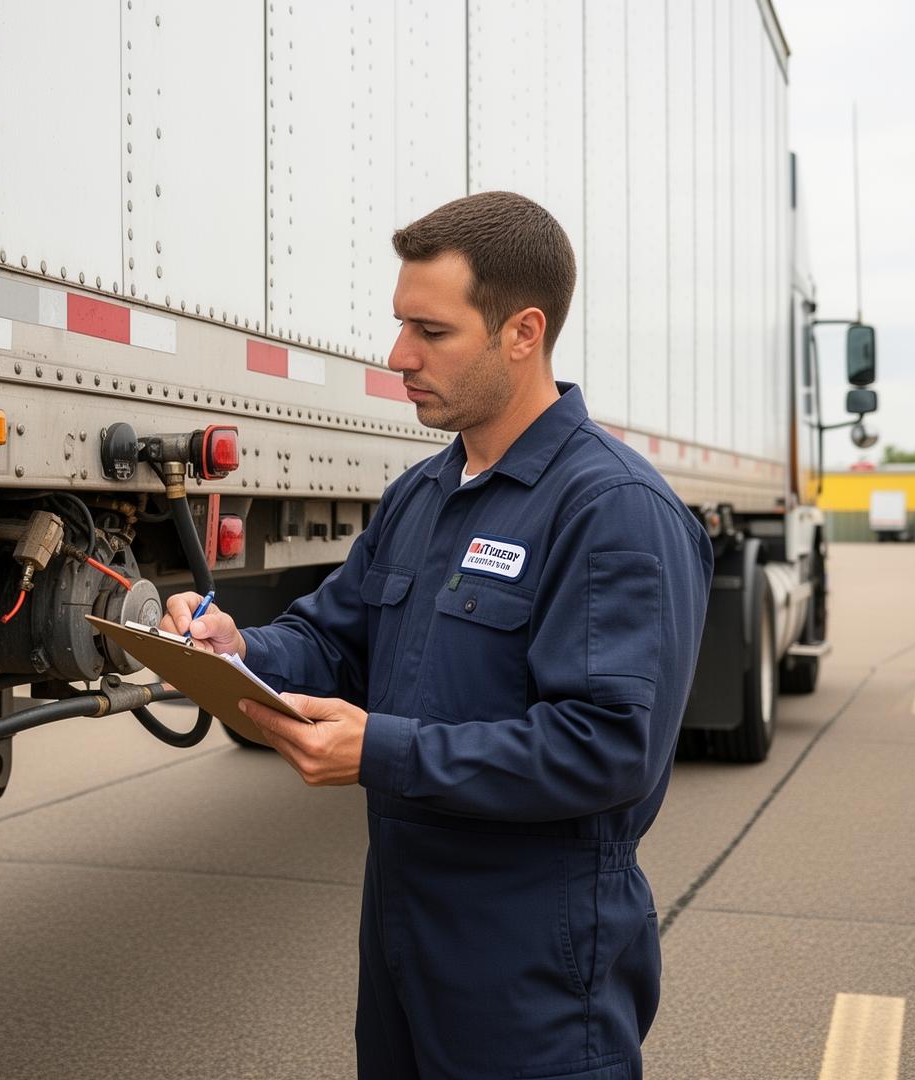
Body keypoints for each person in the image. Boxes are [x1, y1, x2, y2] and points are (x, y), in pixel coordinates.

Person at [161, 191, 714, 1080]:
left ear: (522, 333)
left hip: (533, 954)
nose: (397, 357)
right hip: (403, 934)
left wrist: (383, 750)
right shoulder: (424, 495)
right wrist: (238, 649)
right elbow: (336, 639)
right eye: (399, 326)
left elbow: (611, 747)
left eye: (432, 332)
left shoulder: (612, 510)